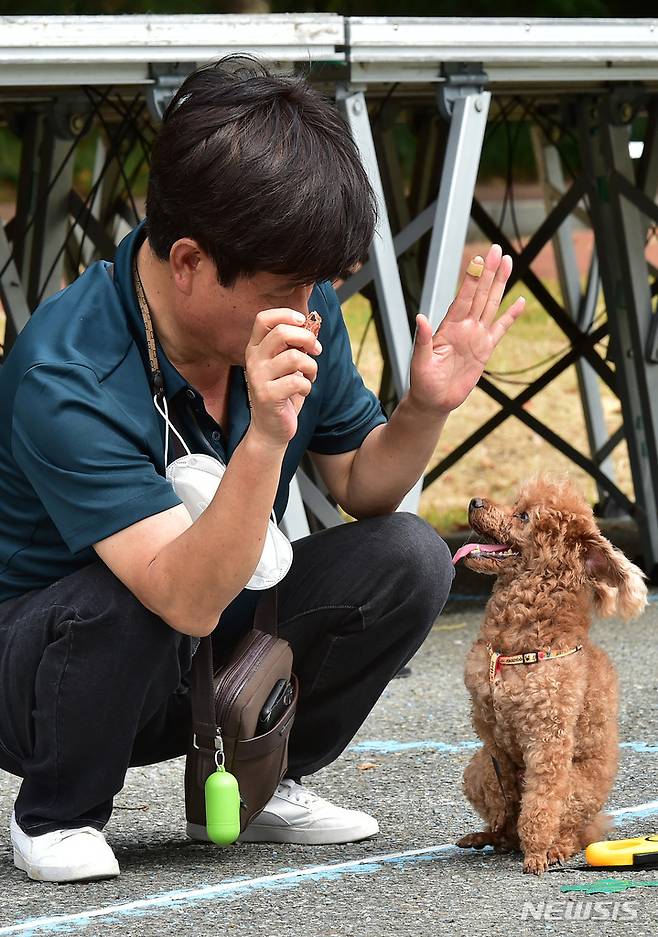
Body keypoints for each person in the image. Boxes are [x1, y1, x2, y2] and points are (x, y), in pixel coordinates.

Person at [0, 57, 524, 883]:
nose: (309, 306)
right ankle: (59, 811)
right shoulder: (67, 372)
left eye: (316, 283)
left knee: (411, 555)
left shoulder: (297, 306)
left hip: (196, 638)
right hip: (52, 674)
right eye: (288, 286)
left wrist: (425, 406)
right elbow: (181, 593)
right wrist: (267, 436)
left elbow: (362, 485)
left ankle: (263, 772)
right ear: (187, 262)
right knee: (136, 593)